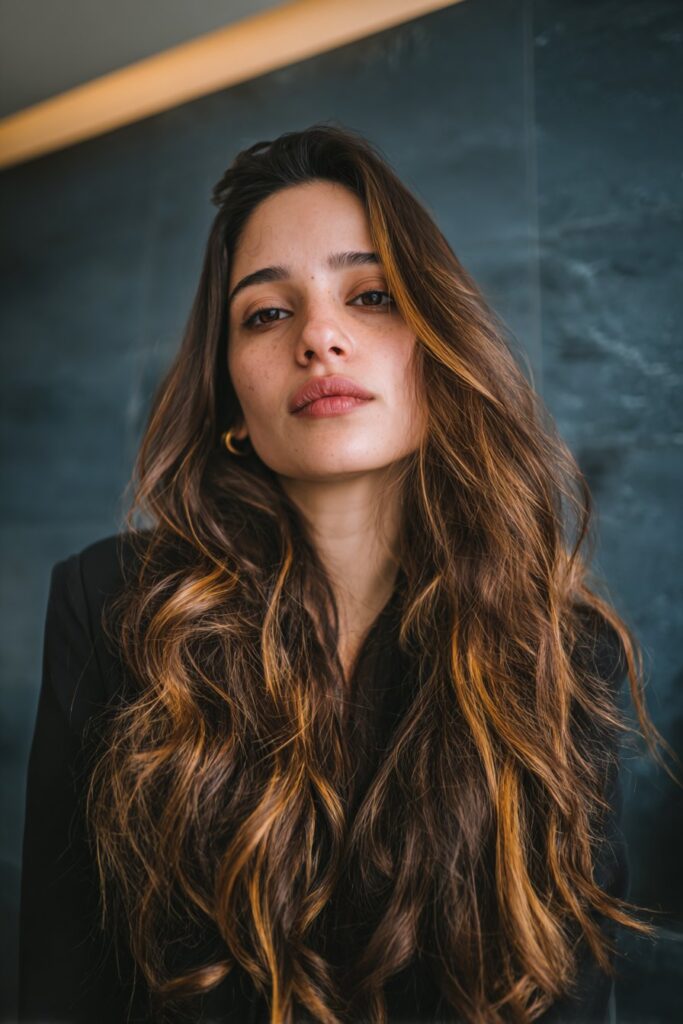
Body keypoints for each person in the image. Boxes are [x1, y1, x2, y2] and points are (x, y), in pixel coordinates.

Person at [18, 123, 671, 1024]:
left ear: (437, 349)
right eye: (267, 313)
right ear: (229, 396)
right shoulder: (111, 608)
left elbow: (566, 994)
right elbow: (63, 983)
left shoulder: (561, 650)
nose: (319, 337)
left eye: (369, 296)